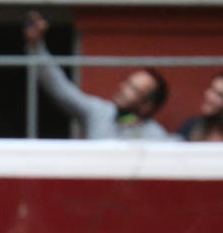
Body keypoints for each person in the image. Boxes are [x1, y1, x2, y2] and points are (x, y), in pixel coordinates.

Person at [23, 11, 169, 140]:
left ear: (146, 106)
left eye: (134, 89)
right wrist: (36, 46)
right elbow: (60, 88)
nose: (123, 89)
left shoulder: (156, 138)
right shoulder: (100, 113)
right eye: (127, 83)